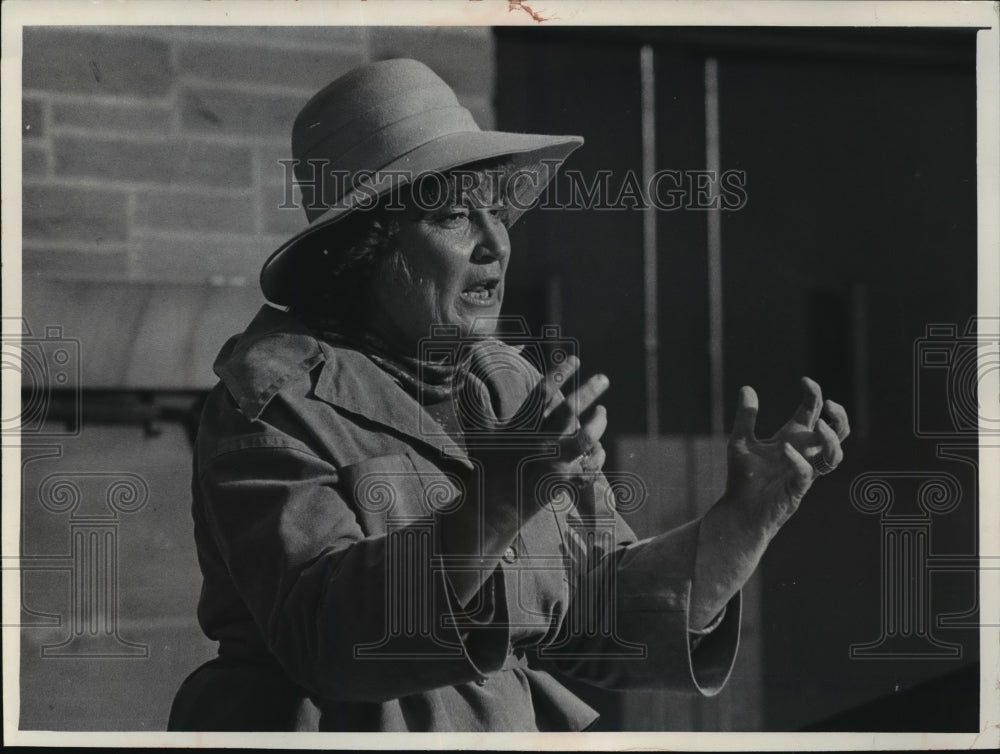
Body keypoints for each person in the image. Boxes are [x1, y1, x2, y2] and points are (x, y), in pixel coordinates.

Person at [168, 58, 849, 732]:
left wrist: (743, 519)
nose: (496, 243)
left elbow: (595, 608)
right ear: (365, 248)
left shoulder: (508, 385)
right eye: (455, 217)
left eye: (497, 212)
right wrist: (495, 503)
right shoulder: (274, 402)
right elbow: (327, 638)